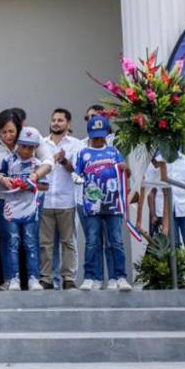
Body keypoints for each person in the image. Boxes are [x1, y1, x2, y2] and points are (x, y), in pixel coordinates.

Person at [0, 108, 53, 290]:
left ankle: (32, 278)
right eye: (3, 131)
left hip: (30, 198)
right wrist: (3, 179)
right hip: (4, 196)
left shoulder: (30, 137)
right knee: (9, 237)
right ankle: (11, 279)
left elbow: (48, 161)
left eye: (11, 131)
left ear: (19, 128)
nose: (7, 135)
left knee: (30, 237)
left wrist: (35, 176)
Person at [75, 116, 131, 291]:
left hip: (113, 204)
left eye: (101, 136)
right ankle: (91, 277)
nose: (98, 139)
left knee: (116, 241)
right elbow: (76, 173)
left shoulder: (114, 152)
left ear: (107, 134)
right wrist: (77, 178)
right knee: (92, 241)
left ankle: (119, 277)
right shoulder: (83, 153)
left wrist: (126, 170)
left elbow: (126, 174)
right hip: (92, 205)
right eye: (95, 136)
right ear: (89, 135)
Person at [145, 152, 185, 289]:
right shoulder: (157, 161)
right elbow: (151, 190)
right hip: (165, 209)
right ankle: (178, 278)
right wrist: (153, 214)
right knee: (173, 245)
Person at [0, 127, 49, 291]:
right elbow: (2, 180)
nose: (26, 150)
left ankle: (33, 278)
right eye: (23, 146)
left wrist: (30, 185)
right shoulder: (8, 161)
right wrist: (9, 182)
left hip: (30, 208)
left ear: (35, 148)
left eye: (30, 147)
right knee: (12, 243)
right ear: (18, 145)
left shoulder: (38, 164)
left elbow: (45, 186)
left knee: (30, 243)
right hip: (11, 208)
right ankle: (14, 279)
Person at [40, 108, 82, 290]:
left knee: (68, 242)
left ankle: (68, 278)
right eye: (54, 120)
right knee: (45, 243)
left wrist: (65, 161)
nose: (56, 123)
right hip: (46, 200)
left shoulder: (76, 145)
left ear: (68, 124)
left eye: (60, 120)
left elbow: (79, 171)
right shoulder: (41, 144)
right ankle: (46, 278)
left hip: (66, 201)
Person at [76, 104, 117, 286]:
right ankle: (97, 278)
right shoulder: (80, 146)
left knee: (111, 241)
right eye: (88, 118)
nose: (91, 120)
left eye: (95, 117)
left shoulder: (116, 143)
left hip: (110, 201)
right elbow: (76, 171)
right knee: (93, 240)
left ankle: (115, 277)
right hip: (87, 201)